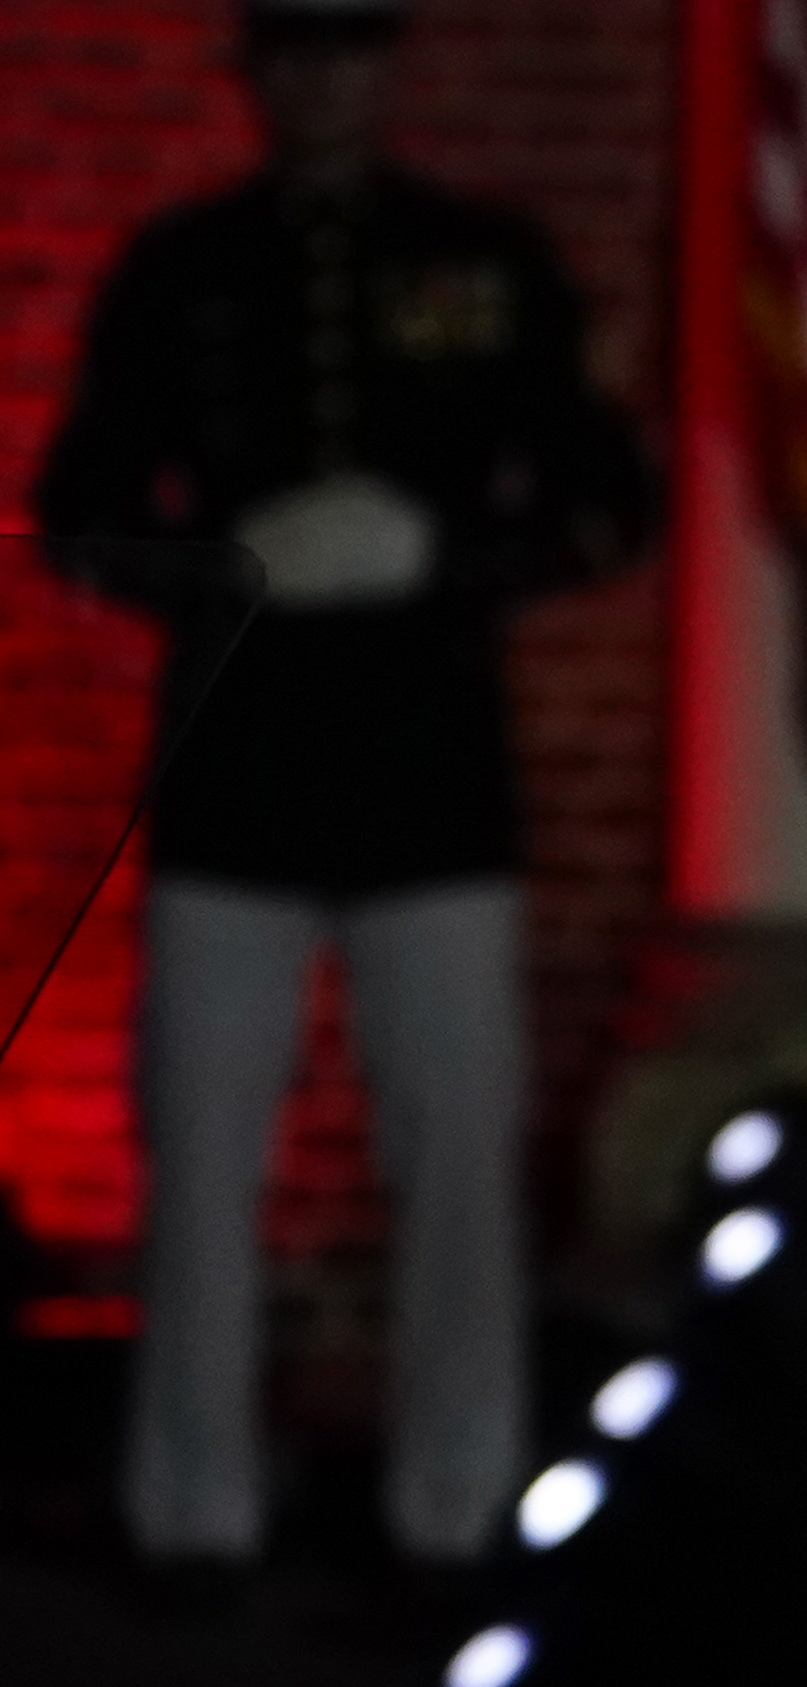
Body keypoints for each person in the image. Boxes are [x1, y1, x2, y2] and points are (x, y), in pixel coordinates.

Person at [33, 0, 658, 1603]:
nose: (322, 84)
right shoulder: (183, 270)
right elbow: (76, 515)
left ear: (389, 71)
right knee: (201, 1154)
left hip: (430, 775)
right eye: (294, 54)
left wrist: (443, 557)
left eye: (348, 51)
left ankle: (456, 1502)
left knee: (457, 1156)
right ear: (259, 77)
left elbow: (606, 498)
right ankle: (192, 1507)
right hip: (234, 773)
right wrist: (230, 569)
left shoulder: (486, 261)